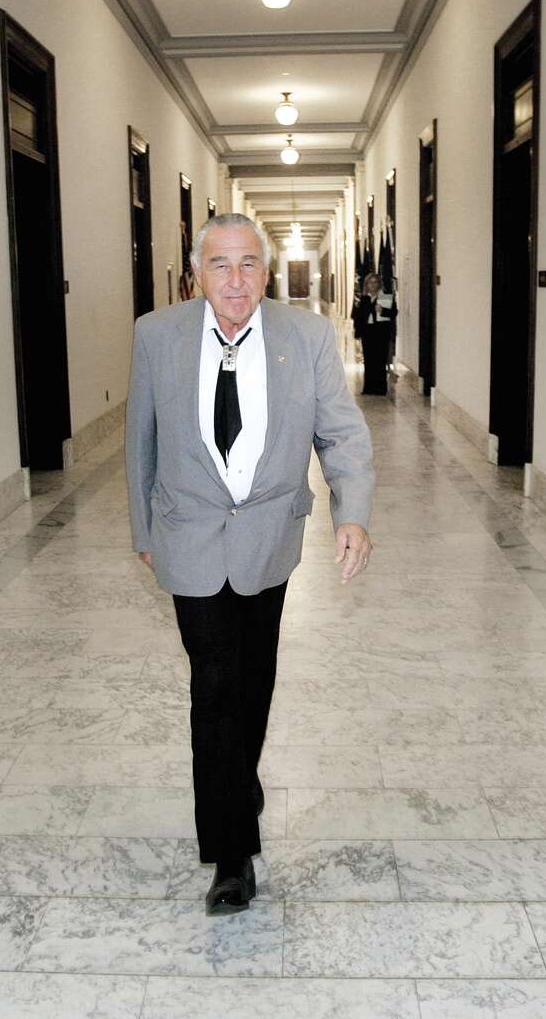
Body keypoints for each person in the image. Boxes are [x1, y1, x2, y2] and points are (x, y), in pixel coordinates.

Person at [125, 212, 375, 916]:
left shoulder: (307, 336)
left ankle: (239, 779)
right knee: (215, 682)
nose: (234, 281)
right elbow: (140, 437)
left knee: (254, 676)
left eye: (247, 264)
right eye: (219, 264)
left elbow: (341, 433)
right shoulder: (157, 335)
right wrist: (144, 528)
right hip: (189, 535)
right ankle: (231, 855)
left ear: (265, 272)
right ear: (195, 275)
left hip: (269, 537)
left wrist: (352, 512)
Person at [350, 272, 396, 394]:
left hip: (381, 332)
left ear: (379, 284)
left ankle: (380, 388)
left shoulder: (385, 297)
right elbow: (358, 317)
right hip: (368, 332)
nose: (373, 285)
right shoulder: (363, 299)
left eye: (375, 282)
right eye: (370, 282)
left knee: (380, 360)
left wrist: (382, 310)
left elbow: (394, 313)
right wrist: (358, 332)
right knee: (369, 360)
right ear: (367, 285)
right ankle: (369, 388)